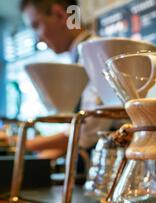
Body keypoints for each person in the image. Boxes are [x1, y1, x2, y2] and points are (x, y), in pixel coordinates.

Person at [20, 0, 111, 160]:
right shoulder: (80, 56)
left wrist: (23, 143)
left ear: (60, 15)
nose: (38, 40)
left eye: (36, 26)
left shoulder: (95, 52)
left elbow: (89, 130)